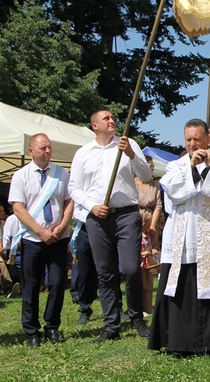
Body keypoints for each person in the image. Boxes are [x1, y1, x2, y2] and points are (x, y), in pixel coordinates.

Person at [149, 118, 210, 353]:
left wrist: (209, 168)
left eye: (196, 139)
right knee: (181, 287)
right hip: (184, 237)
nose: (191, 144)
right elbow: (175, 192)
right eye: (188, 139)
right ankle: (179, 341)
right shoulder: (175, 166)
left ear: (207, 138)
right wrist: (191, 167)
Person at [68, 109, 152, 342]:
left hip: (126, 214)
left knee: (131, 268)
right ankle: (111, 325)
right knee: (105, 272)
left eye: (112, 117)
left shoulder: (127, 144)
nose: (112, 120)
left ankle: (136, 317)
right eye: (106, 118)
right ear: (95, 125)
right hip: (98, 217)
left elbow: (145, 176)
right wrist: (91, 206)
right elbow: (74, 187)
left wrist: (132, 154)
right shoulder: (83, 153)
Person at [8, 133, 73, 347]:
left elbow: (69, 201)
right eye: (43, 148)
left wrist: (62, 226)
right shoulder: (21, 176)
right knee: (31, 285)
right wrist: (40, 231)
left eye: (49, 148)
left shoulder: (61, 173)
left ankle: (52, 326)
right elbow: (18, 208)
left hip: (58, 238)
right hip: (32, 239)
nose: (47, 151)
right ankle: (31, 330)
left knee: (56, 283)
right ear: (31, 151)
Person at [135, 155, 162, 314]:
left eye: (152, 167)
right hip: (134, 226)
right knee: (137, 266)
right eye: (147, 167)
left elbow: (158, 206)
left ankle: (148, 305)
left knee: (150, 267)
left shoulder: (154, 185)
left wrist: (152, 226)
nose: (150, 170)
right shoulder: (132, 183)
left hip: (151, 227)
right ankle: (136, 305)